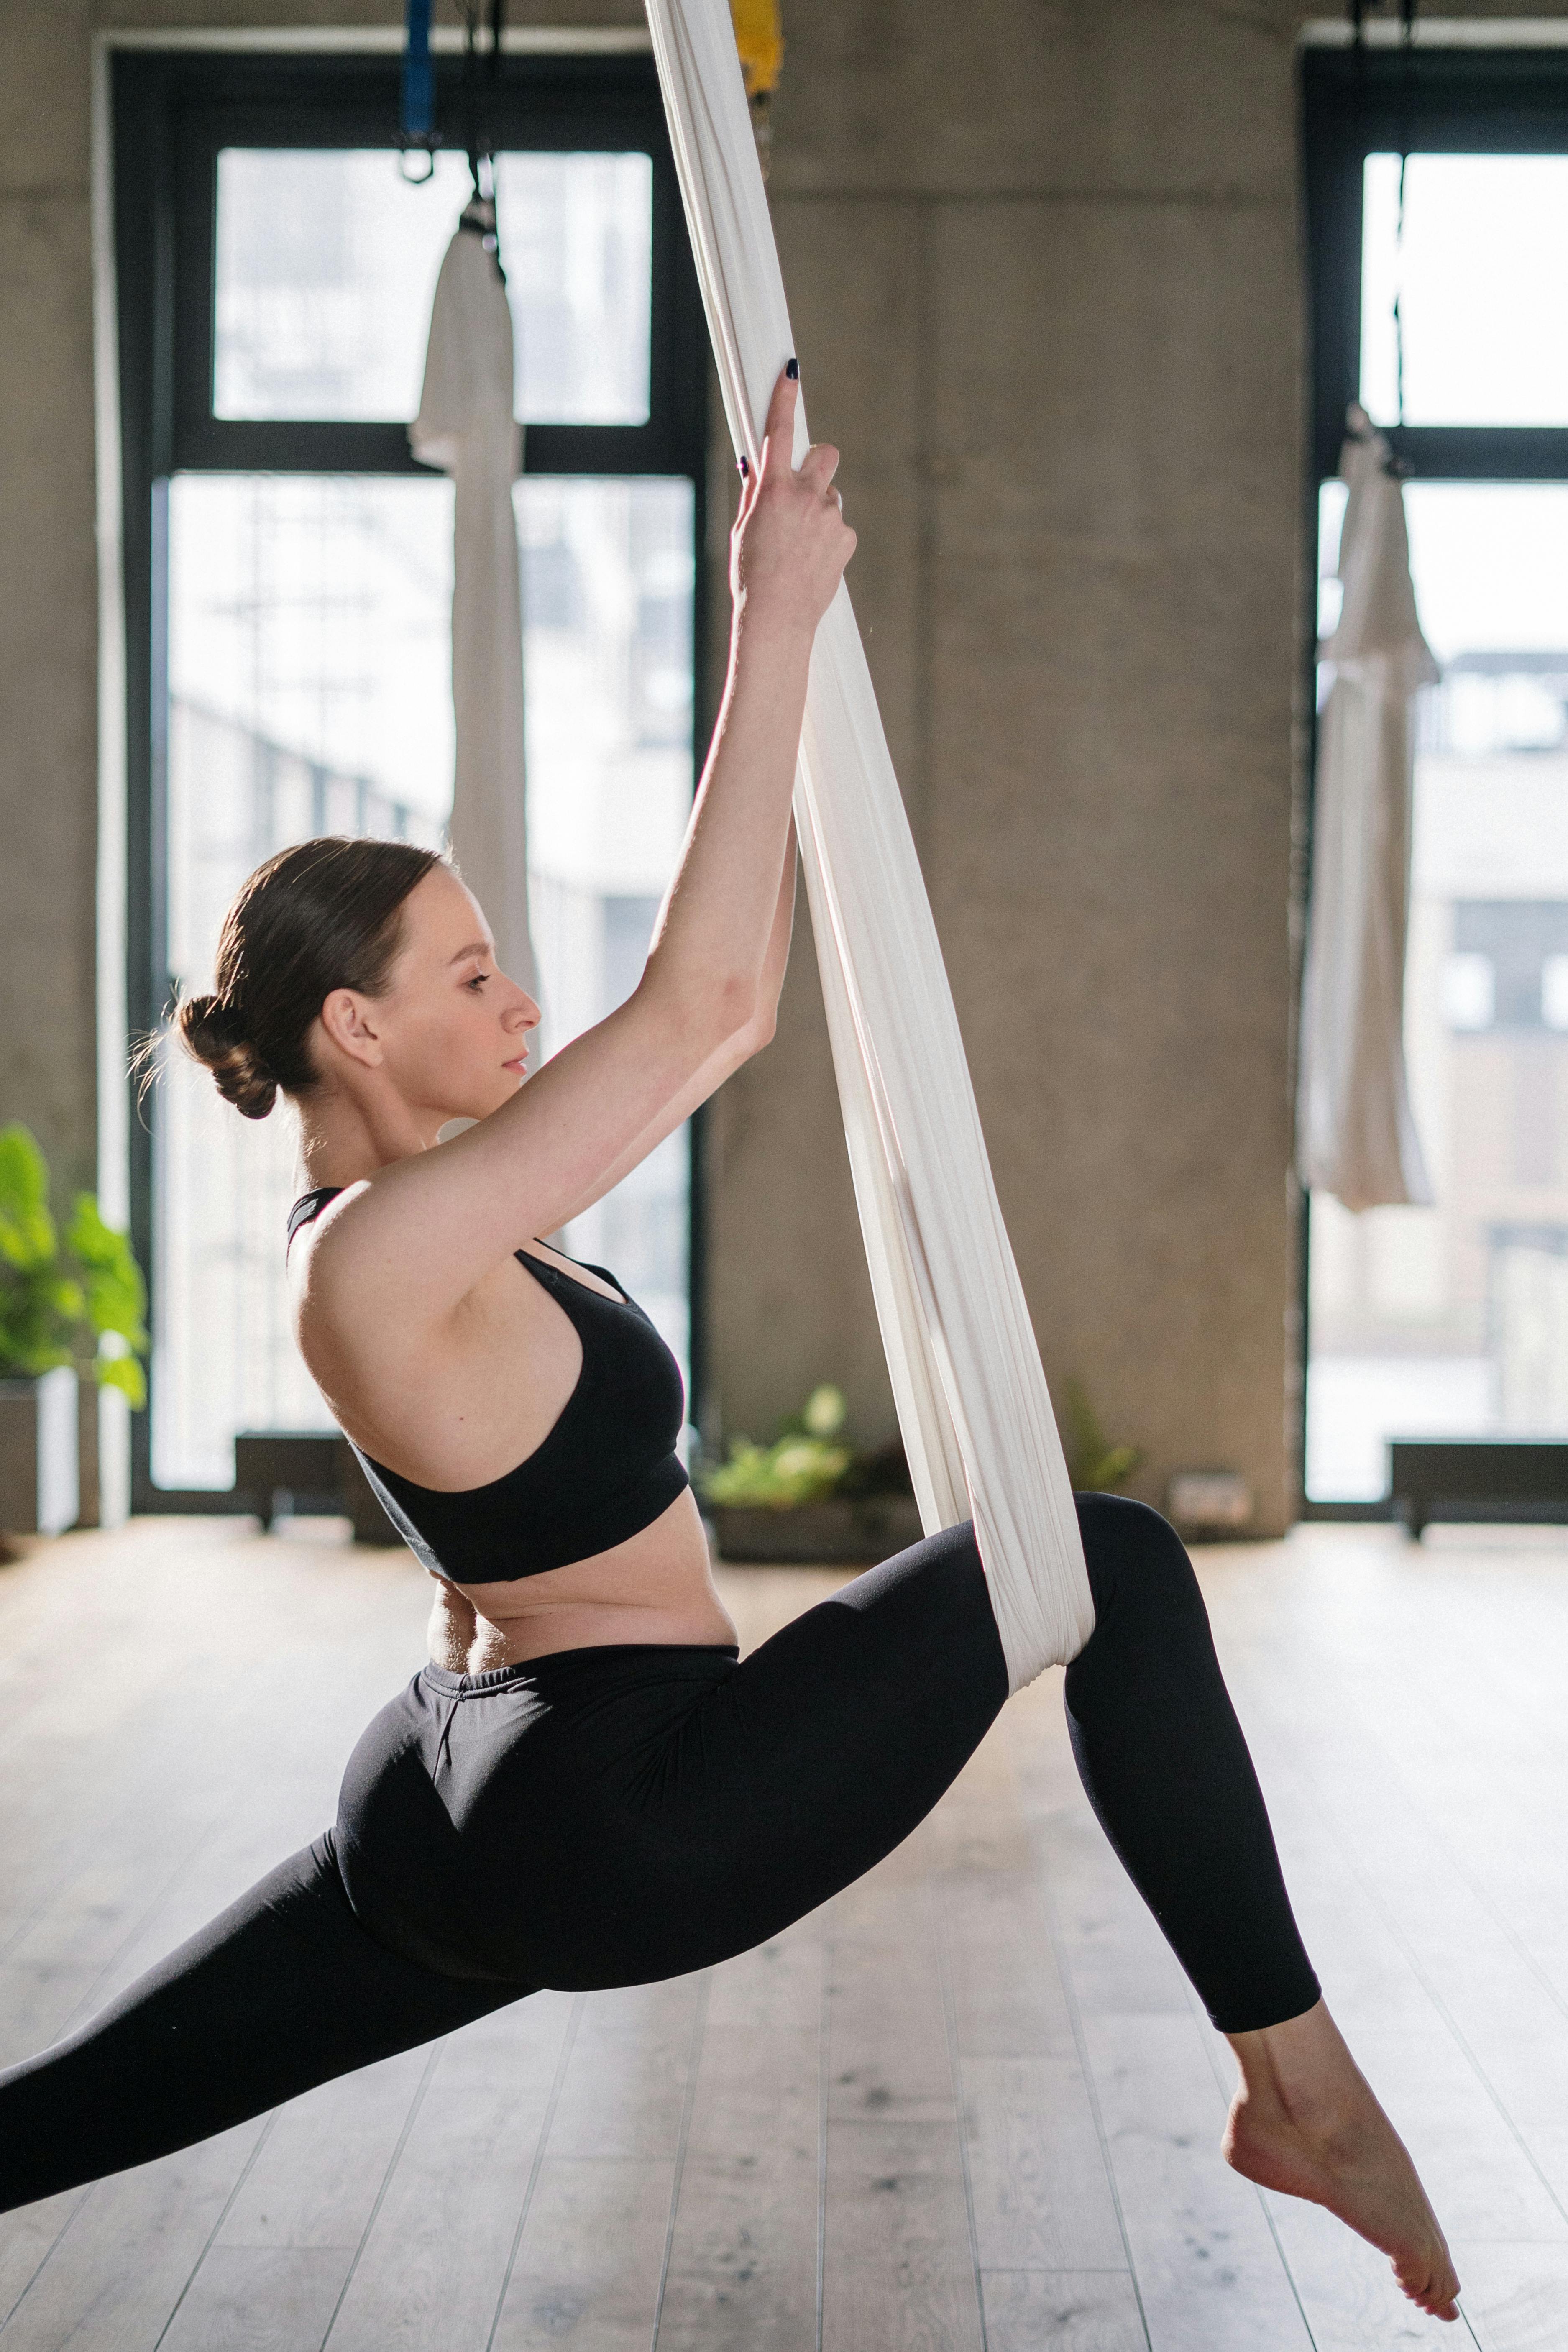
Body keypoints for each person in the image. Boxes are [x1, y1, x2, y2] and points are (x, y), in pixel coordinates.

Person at [0, 369, 1458, 2323]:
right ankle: (1297, 2083)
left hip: (464, 1792)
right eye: (467, 973)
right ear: (351, 1028)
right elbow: (690, 1011)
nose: (517, 997)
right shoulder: (374, 1258)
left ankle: (1295, 2090)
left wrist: (781, 664)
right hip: (609, 1805)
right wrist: (768, 613)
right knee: (1095, 1562)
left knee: (53, 2119)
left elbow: (738, 998)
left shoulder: (439, 1214)